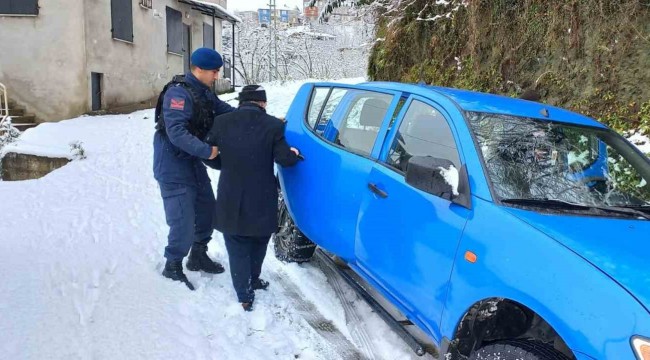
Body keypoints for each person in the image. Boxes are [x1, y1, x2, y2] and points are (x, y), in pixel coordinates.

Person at [204, 85, 301, 311]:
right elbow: (284, 159)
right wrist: (294, 155)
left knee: (236, 242)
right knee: (259, 239)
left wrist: (224, 165)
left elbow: (208, 155)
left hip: (231, 193)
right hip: (262, 193)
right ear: (263, 103)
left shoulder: (221, 122)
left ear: (241, 101)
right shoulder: (274, 126)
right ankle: (254, 278)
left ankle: (244, 294)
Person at [153, 48, 235, 290]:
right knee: (183, 220)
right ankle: (173, 264)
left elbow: (227, 113)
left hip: (190, 161)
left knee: (207, 209)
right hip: (172, 164)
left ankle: (198, 255)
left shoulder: (203, 93)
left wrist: (257, 117)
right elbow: (176, 132)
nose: (216, 76)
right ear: (198, 69)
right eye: (213, 71)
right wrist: (206, 151)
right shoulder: (178, 94)